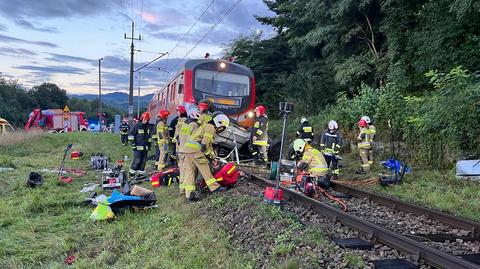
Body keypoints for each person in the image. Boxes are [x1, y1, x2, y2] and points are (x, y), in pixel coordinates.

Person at [180, 101, 226, 202]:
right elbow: (205, 146)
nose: (220, 130)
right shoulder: (210, 128)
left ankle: (189, 196)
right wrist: (212, 157)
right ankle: (215, 188)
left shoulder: (204, 126)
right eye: (221, 128)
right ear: (219, 123)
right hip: (195, 150)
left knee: (189, 172)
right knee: (205, 168)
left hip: (186, 149)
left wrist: (211, 155)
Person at [128, 112, 153, 176]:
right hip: (137, 147)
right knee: (137, 161)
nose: (145, 121)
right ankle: (131, 174)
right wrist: (133, 145)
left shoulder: (148, 126)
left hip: (145, 148)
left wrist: (149, 145)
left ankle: (139, 175)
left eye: (147, 120)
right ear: (142, 118)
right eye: (145, 119)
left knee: (143, 161)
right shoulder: (137, 125)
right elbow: (131, 135)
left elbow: (149, 137)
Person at [172, 105, 190, 194]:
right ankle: (183, 188)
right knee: (183, 167)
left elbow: (180, 135)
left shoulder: (183, 121)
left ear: (182, 112)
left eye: (178, 111)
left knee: (182, 167)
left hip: (180, 148)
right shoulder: (183, 120)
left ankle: (182, 188)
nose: (177, 112)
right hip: (181, 148)